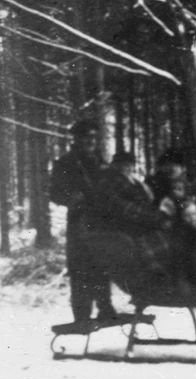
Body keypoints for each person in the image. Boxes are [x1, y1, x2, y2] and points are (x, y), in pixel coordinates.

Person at [49, 119, 118, 323]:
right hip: (79, 222)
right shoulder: (65, 163)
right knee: (80, 269)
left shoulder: (102, 163)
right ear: (76, 139)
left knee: (102, 265)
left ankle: (106, 309)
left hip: (101, 222)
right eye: (86, 137)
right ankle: (81, 317)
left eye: (94, 137)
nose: (90, 141)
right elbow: (54, 193)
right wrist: (71, 198)